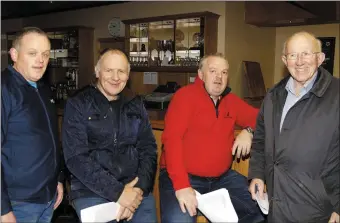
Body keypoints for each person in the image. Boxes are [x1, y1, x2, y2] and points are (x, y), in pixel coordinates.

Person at [159, 53, 264, 223]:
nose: (219, 77)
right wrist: (182, 186)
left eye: (224, 72)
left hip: (222, 178)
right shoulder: (184, 97)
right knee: (179, 221)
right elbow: (172, 141)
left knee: (261, 210)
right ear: (201, 74)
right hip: (182, 177)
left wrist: (249, 131)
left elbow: (263, 119)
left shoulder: (231, 100)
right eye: (213, 71)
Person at [248, 31, 339, 223]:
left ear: (320, 58)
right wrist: (257, 174)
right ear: (284, 59)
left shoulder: (337, 95)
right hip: (276, 207)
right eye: (292, 55)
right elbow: (260, 140)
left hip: (319, 211)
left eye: (306, 53)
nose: (299, 61)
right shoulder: (273, 96)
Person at [62, 49, 157, 222]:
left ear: (128, 75)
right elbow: (76, 157)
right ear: (97, 72)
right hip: (91, 190)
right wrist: (119, 193)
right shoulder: (78, 103)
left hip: (135, 188)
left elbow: (148, 149)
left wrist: (138, 190)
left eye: (121, 71)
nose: (115, 77)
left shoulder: (136, 103)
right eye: (109, 70)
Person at [1, 27, 64, 223]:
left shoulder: (43, 90)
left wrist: (58, 179)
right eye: (32, 53)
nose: (40, 60)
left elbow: (53, 140)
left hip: (47, 199)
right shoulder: (4, 89)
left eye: (45, 54)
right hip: (17, 204)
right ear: (14, 54)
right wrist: (3, 209)